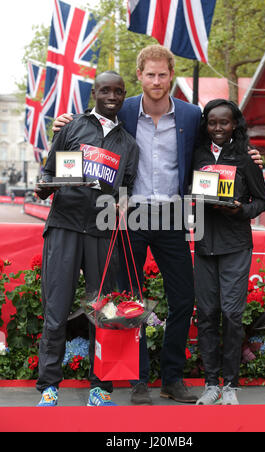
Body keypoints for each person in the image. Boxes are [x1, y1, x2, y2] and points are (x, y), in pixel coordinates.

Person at [52, 44, 263, 406]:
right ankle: (137, 380)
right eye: (150, 74)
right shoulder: (125, 107)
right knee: (128, 301)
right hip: (128, 214)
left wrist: (248, 156)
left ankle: (172, 378)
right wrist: (64, 123)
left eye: (163, 74)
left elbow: (218, 144)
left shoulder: (191, 114)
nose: (157, 81)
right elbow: (92, 123)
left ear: (170, 75)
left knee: (183, 299)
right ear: (140, 76)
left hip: (173, 214)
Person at [34, 71, 139, 407]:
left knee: (105, 312)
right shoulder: (72, 126)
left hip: (102, 232)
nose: (111, 96)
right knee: (56, 309)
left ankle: (101, 388)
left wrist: (124, 202)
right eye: (105, 90)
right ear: (94, 92)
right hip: (64, 227)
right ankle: (49, 387)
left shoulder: (128, 144)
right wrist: (43, 185)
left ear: (124, 95)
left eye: (117, 92)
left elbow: (128, 189)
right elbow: (49, 172)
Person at [193, 99, 265, 405]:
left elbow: (260, 202)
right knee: (208, 315)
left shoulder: (246, 157)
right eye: (212, 123)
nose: (219, 128)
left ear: (235, 124)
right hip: (204, 244)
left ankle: (230, 385)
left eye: (224, 122)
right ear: (205, 125)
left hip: (236, 245)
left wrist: (239, 210)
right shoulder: (196, 155)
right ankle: (211, 384)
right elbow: (186, 188)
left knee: (232, 315)